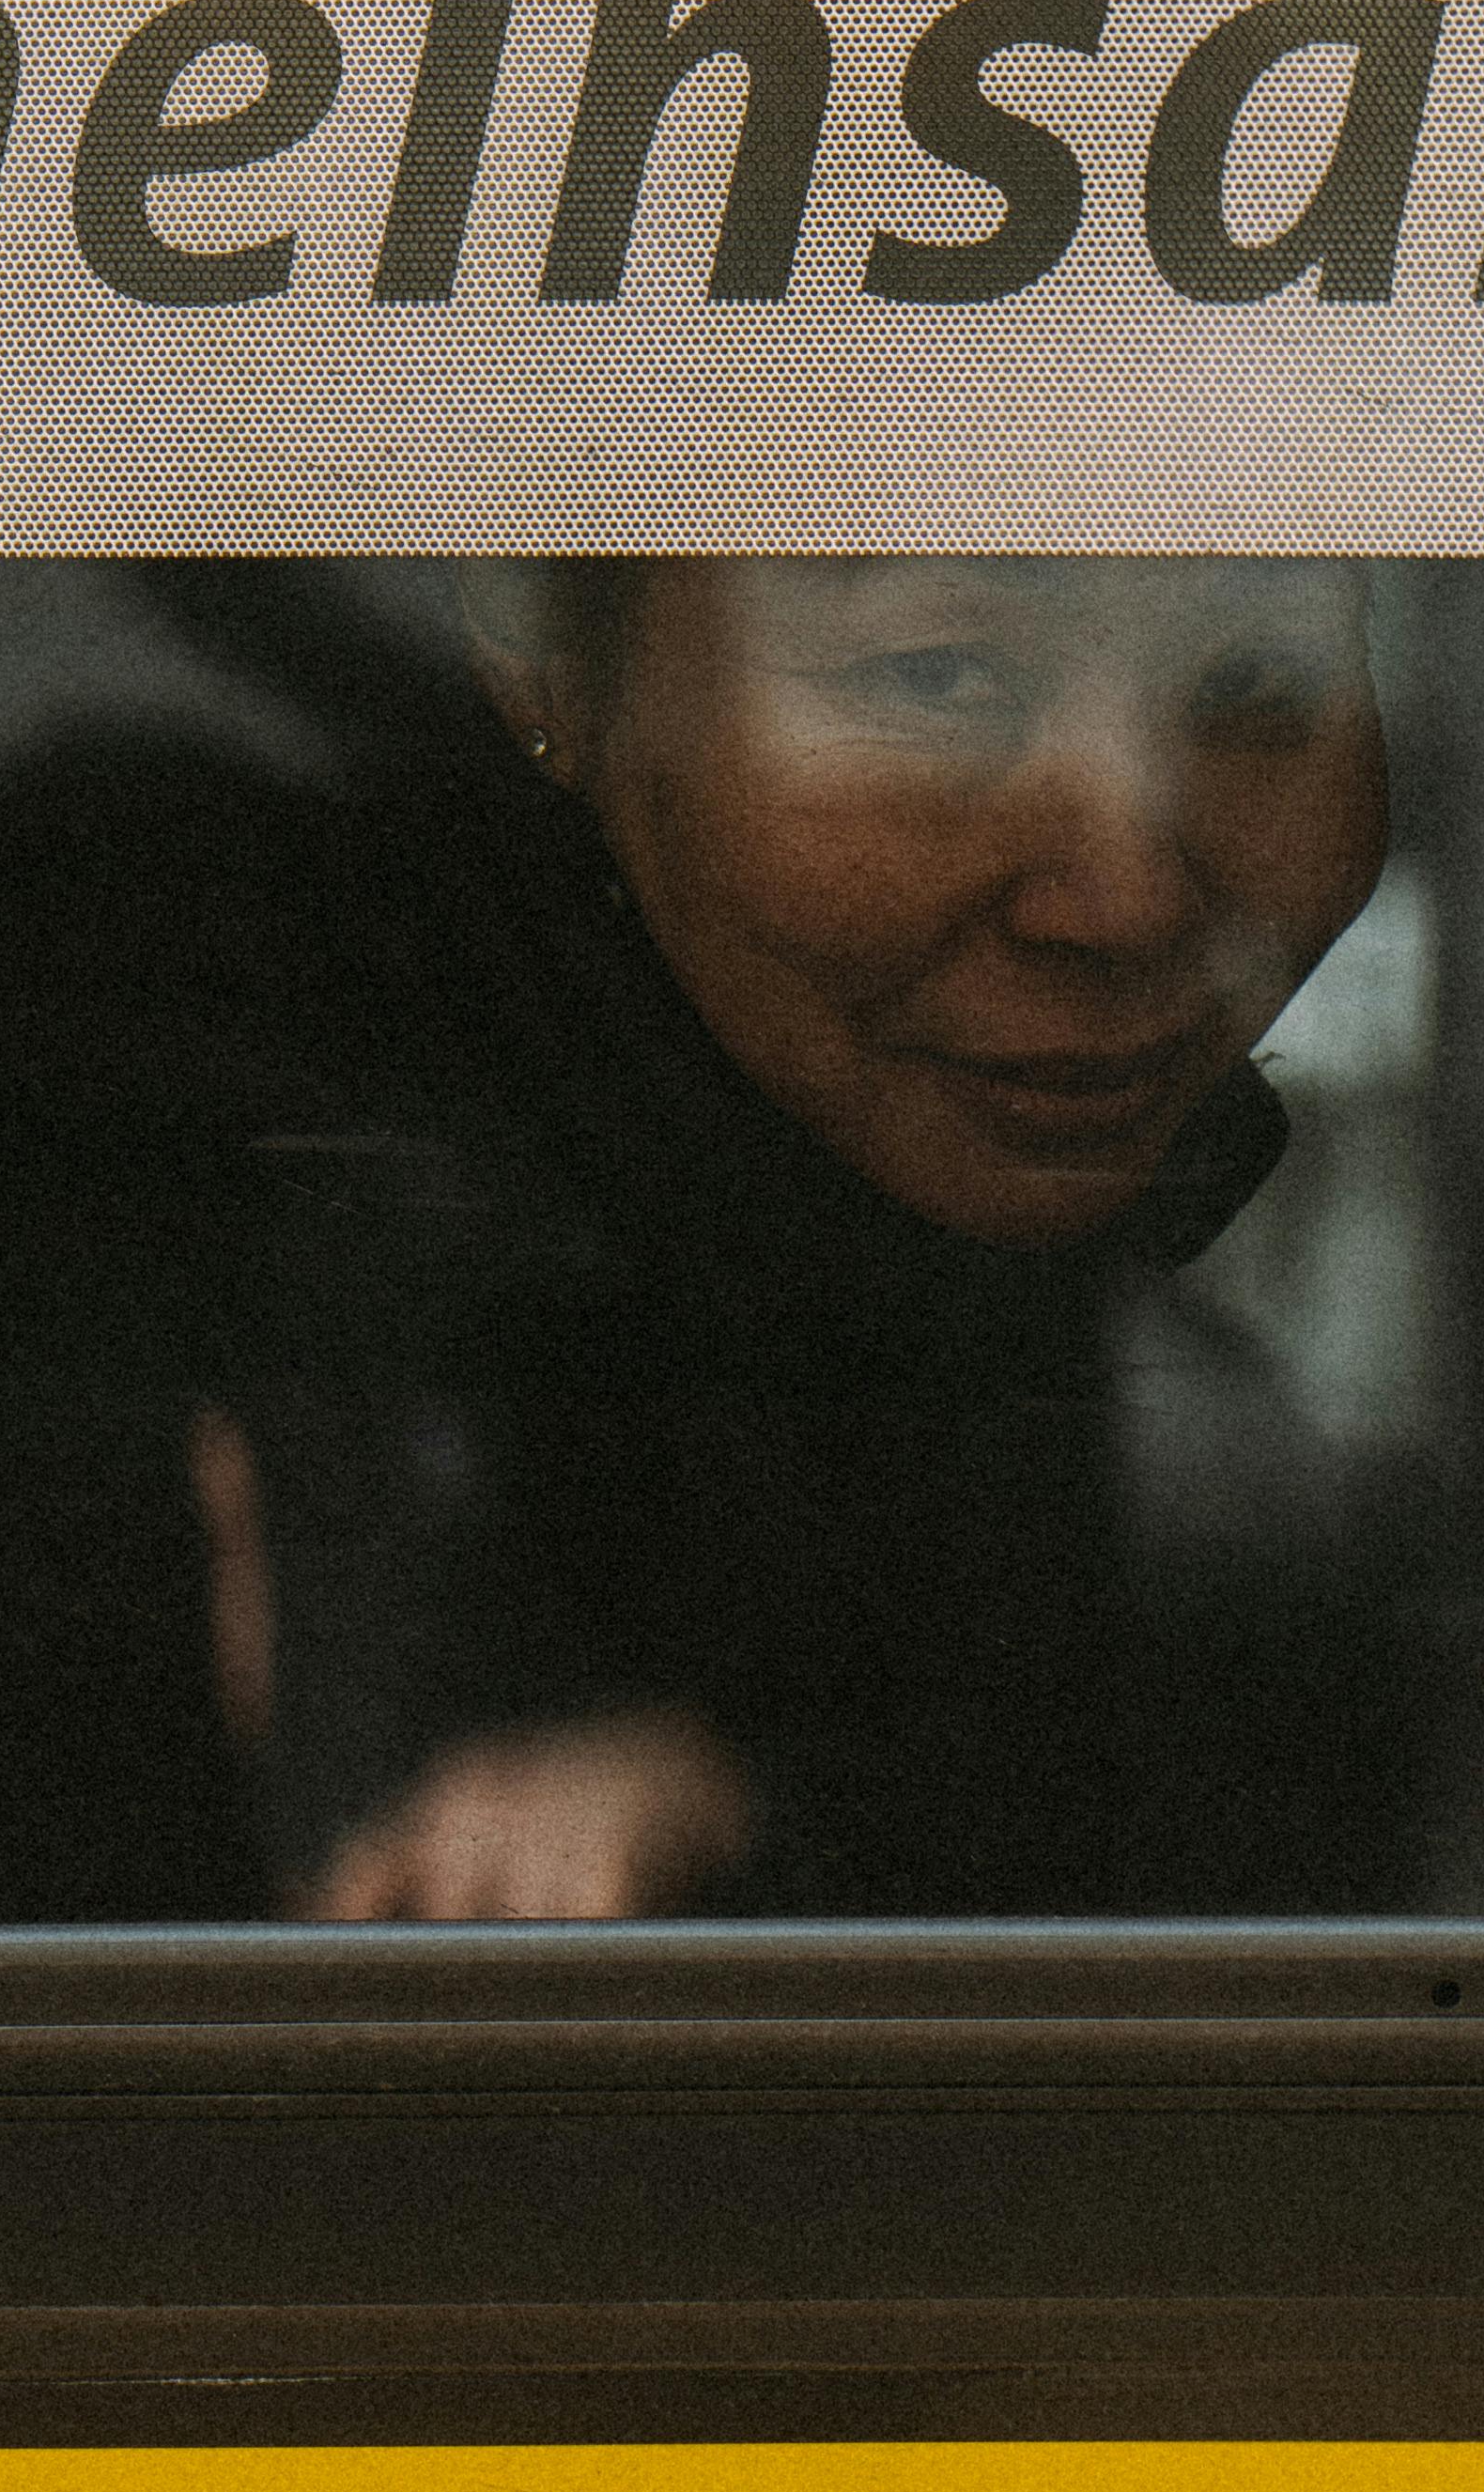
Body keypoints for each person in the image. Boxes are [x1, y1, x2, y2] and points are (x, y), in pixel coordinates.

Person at [193, 550, 1409, 1921]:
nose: (1129, 895)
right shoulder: (380, 1172)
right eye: (935, 673)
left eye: (1254, 679)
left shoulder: (1197, 1439)